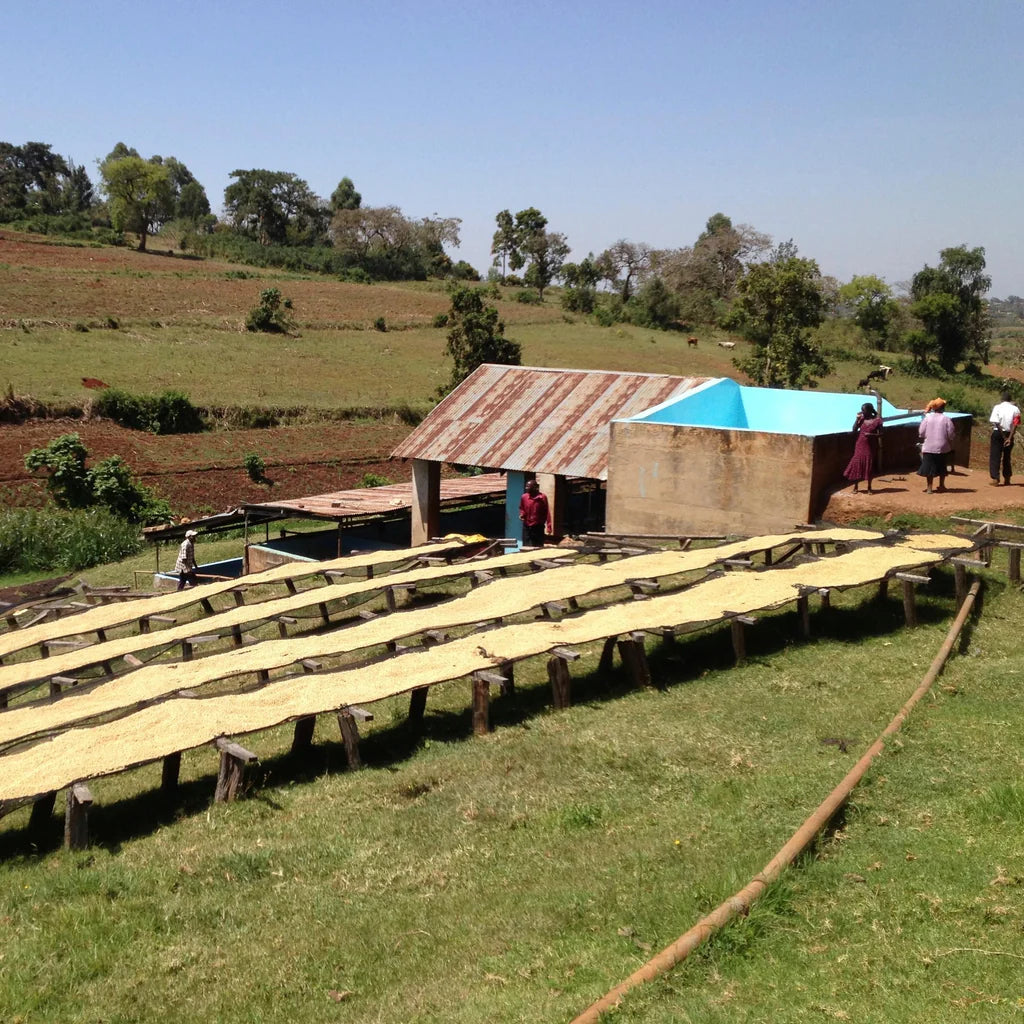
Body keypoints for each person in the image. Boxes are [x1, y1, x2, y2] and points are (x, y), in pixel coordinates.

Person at [917, 398, 955, 494]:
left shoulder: (927, 418)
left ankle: (929, 488)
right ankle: (941, 485)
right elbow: (951, 433)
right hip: (942, 447)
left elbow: (921, 432)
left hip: (929, 446)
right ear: (943, 408)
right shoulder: (946, 419)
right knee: (942, 465)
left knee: (929, 466)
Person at [843, 402, 882, 493]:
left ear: (869, 411)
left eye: (864, 410)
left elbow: (881, 434)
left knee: (869, 466)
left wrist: (871, 435)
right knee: (857, 464)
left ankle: (869, 487)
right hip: (860, 445)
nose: (862, 412)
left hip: (870, 446)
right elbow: (854, 429)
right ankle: (856, 487)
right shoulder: (862, 419)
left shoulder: (877, 420)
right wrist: (857, 420)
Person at [989, 389, 1021, 486]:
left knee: (995, 456)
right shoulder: (1015, 409)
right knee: (1007, 457)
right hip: (1009, 434)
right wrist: (1009, 438)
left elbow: (996, 422)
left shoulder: (997, 407)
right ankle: (1007, 478)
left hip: (998, 433)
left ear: (1002, 399)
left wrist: (1003, 437)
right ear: (1010, 400)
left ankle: (995, 478)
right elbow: (1016, 424)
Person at [518, 478, 550, 547]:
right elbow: (522, 508)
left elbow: (547, 512)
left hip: (538, 526)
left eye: (528, 486)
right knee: (526, 546)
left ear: (535, 487)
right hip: (527, 526)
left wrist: (549, 526)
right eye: (526, 486)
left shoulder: (542, 497)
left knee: (538, 547)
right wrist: (522, 514)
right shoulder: (524, 497)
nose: (526, 488)